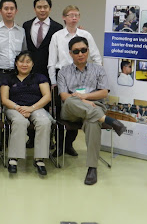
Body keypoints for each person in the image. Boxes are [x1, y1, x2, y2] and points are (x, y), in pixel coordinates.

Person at [57, 36, 126, 185]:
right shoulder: (63, 71)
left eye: (83, 50)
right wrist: (82, 101)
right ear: (70, 53)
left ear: (88, 51)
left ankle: (92, 168)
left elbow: (103, 93)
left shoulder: (98, 69)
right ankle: (109, 121)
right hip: (71, 110)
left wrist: (85, 97)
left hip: (94, 106)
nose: (80, 54)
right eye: (76, 51)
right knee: (69, 101)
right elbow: (63, 96)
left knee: (93, 121)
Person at [48, 5, 102, 157]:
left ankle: (68, 145)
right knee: (61, 113)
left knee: (78, 110)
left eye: (76, 15)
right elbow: (52, 61)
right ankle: (58, 145)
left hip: (82, 75)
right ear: (64, 18)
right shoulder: (57, 36)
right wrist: (53, 82)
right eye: (71, 15)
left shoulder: (86, 35)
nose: (74, 18)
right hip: (62, 76)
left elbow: (96, 57)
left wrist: (97, 75)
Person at [0, 51, 52, 175]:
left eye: (28, 62)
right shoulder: (8, 78)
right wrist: (18, 108)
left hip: (36, 107)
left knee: (44, 122)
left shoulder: (40, 77)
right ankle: (13, 159)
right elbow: (4, 99)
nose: (25, 64)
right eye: (21, 61)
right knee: (19, 121)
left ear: (33, 64)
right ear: (16, 63)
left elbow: (47, 97)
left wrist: (31, 108)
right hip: (14, 108)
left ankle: (40, 159)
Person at [22, 0, 63, 148]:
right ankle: (31, 138)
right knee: (29, 102)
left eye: (45, 7)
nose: (42, 10)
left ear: (50, 9)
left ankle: (48, 139)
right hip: (29, 73)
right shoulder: (26, 26)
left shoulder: (57, 28)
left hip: (48, 74)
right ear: (34, 9)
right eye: (39, 7)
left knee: (48, 106)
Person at [0, 0, 26, 109]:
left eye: (12, 9)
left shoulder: (21, 31)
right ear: (0, 11)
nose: (9, 11)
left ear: (16, 11)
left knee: (14, 104)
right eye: (6, 8)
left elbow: (24, 52)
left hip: (15, 73)